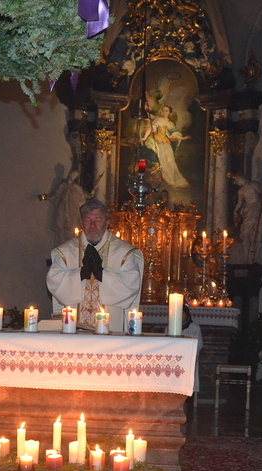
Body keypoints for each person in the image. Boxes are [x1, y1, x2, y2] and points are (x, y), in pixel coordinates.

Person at [47, 199, 143, 332]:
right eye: (88, 220)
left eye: (98, 220)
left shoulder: (124, 252)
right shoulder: (66, 251)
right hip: (75, 331)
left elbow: (131, 286)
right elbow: (54, 282)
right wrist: (80, 274)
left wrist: (103, 275)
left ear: (107, 222)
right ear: (82, 223)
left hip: (111, 329)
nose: (93, 225)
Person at [139, 105, 191, 189]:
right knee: (163, 161)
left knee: (171, 162)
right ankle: (168, 179)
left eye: (166, 111)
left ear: (169, 112)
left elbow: (173, 135)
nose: (164, 112)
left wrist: (183, 138)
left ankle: (175, 181)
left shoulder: (171, 124)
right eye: (163, 110)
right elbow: (151, 129)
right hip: (158, 141)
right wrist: (144, 138)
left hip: (166, 143)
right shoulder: (158, 120)